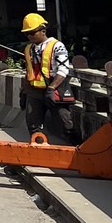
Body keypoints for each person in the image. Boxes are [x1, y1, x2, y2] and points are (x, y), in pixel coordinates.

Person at [22, 12, 76, 142]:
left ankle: (74, 145)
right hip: (35, 91)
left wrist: (51, 89)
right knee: (33, 124)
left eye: (32, 32)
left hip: (54, 88)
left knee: (65, 122)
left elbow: (63, 70)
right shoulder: (29, 49)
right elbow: (28, 71)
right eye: (27, 33)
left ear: (43, 31)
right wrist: (24, 91)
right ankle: (38, 147)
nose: (30, 36)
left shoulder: (57, 46)